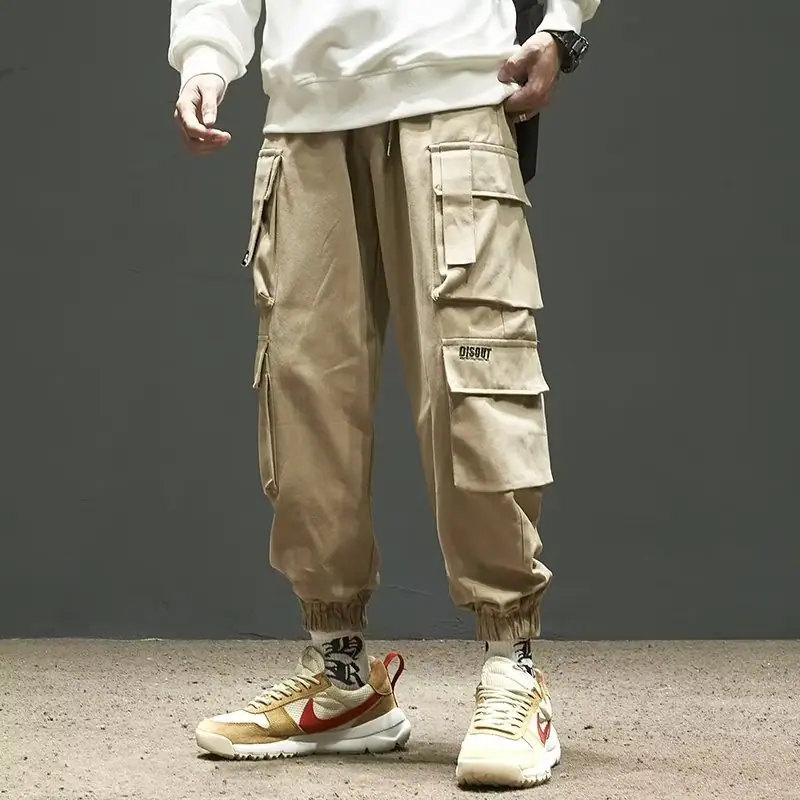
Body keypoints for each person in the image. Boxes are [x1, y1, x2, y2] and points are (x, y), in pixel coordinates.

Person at [168, 0, 599, 788]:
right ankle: (340, 678)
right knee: (304, 398)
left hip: (454, 95)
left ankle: (512, 667)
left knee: (473, 387)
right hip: (306, 112)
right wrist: (206, 55)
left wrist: (561, 23)